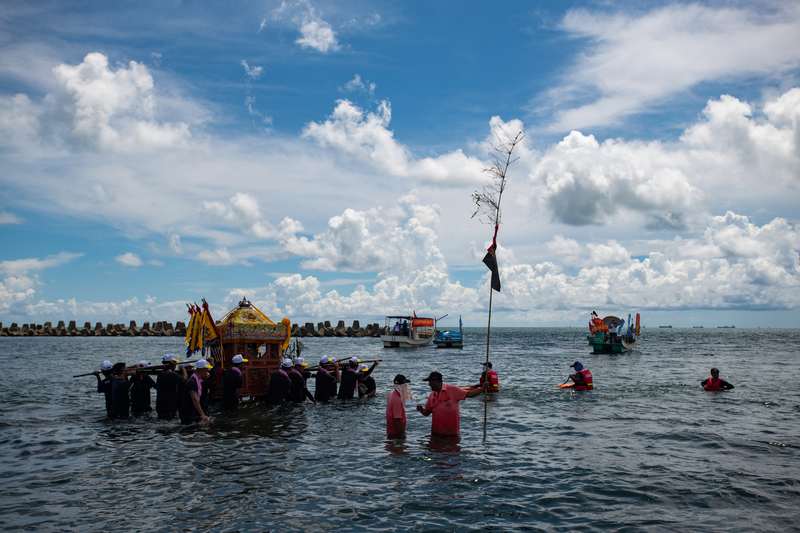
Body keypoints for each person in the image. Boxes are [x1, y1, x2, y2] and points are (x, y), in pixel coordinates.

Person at [416, 372, 488, 436]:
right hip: (435, 434)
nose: (429, 385)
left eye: (430, 382)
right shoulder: (432, 395)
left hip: (452, 435)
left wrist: (482, 389)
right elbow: (427, 412)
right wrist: (421, 409)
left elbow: (469, 394)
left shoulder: (453, 389)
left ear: (435, 382)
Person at [179, 358, 212, 425]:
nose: (207, 372)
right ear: (202, 371)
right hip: (187, 413)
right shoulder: (192, 381)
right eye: (206, 370)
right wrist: (202, 415)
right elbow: (194, 398)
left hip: (191, 412)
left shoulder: (197, 380)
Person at [156, 354, 188, 419]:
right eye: (175, 363)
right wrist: (183, 369)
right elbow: (185, 379)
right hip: (169, 406)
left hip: (161, 405)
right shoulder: (171, 374)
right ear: (171, 363)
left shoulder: (160, 374)